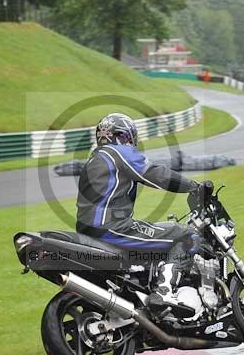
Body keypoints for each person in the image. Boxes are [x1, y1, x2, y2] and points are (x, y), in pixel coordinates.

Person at [76, 113, 205, 310]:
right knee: (187, 235)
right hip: (112, 227)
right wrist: (194, 187)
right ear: (124, 136)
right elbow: (155, 174)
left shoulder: (94, 159)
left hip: (87, 231)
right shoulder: (118, 152)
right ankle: (164, 293)